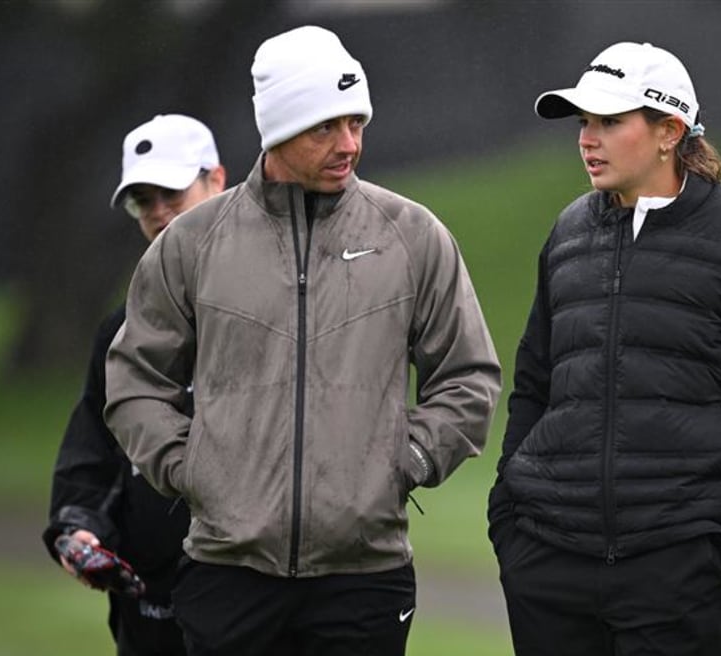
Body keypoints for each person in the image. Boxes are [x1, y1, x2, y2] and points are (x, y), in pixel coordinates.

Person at [103, 25, 501, 656]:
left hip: (364, 577)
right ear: (278, 130)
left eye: (357, 123)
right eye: (326, 127)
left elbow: (469, 376)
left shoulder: (413, 235)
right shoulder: (192, 243)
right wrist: (190, 469)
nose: (349, 144)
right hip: (227, 573)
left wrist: (408, 462)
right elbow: (132, 382)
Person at [487, 41, 721, 655]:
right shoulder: (568, 230)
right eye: (583, 122)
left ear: (669, 130)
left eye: (608, 122)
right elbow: (534, 382)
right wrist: (508, 514)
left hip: (676, 564)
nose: (586, 139)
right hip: (546, 560)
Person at [43, 113, 226, 655]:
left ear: (217, 181)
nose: (158, 212)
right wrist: (78, 527)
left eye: (171, 191)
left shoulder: (274, 307)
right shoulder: (119, 331)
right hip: (148, 603)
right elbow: (94, 453)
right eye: (143, 200)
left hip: (249, 593)